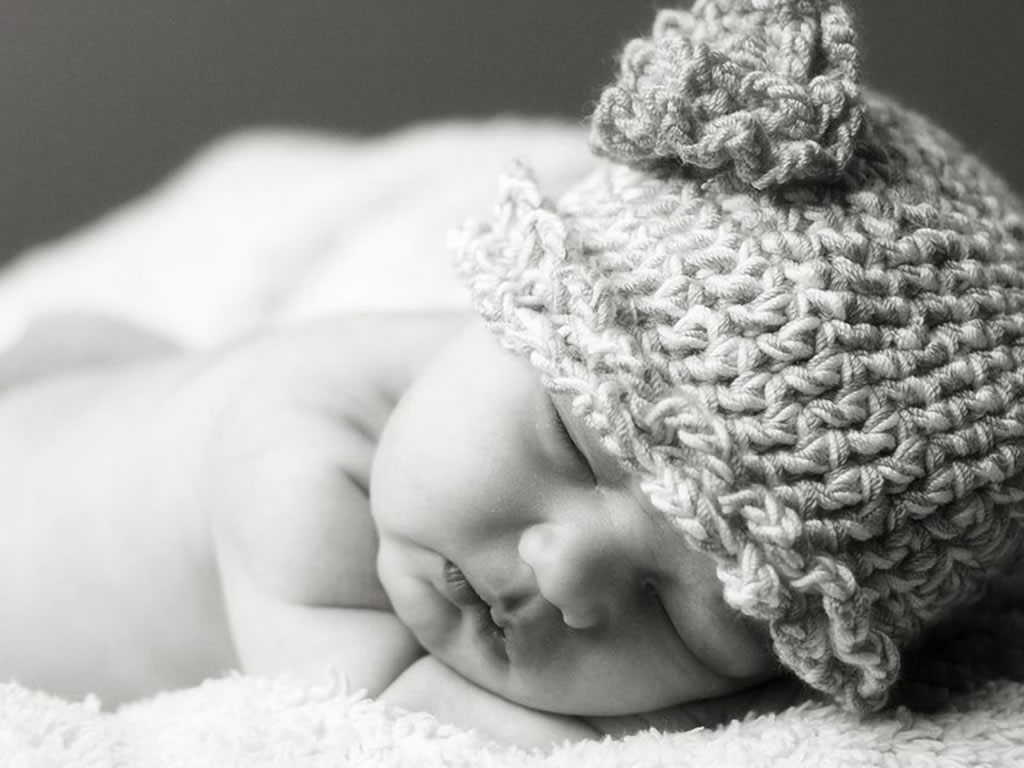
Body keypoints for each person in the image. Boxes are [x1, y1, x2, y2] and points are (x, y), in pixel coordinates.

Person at [0, 0, 1018, 749]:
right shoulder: (296, 464)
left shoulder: (469, 409)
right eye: (568, 441)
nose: (566, 571)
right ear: (504, 307)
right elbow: (387, 723)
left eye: (673, 614)